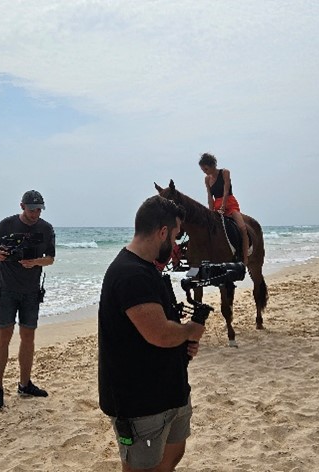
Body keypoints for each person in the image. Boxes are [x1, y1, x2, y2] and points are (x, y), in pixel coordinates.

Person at [98, 195, 206, 472]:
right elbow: (159, 333)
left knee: (171, 457)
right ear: (162, 232)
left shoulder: (150, 270)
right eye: (176, 236)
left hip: (169, 390)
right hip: (138, 400)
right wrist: (190, 331)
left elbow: (165, 328)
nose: (176, 245)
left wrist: (183, 342)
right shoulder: (130, 274)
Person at [0, 189, 56, 409]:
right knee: (3, 334)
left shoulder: (46, 229)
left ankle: (25, 384)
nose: (35, 213)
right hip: (5, 288)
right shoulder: (7, 224)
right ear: (22, 206)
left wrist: (35, 262)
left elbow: (50, 259)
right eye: (32, 209)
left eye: (39, 209)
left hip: (31, 291)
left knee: (28, 336)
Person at [198, 152, 249, 265]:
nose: (205, 172)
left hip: (230, 204)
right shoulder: (207, 179)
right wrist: (210, 212)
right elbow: (210, 197)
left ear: (212, 165)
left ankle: (245, 257)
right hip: (216, 206)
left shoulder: (225, 172)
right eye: (203, 170)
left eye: (206, 169)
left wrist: (223, 207)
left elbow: (226, 191)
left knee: (242, 228)